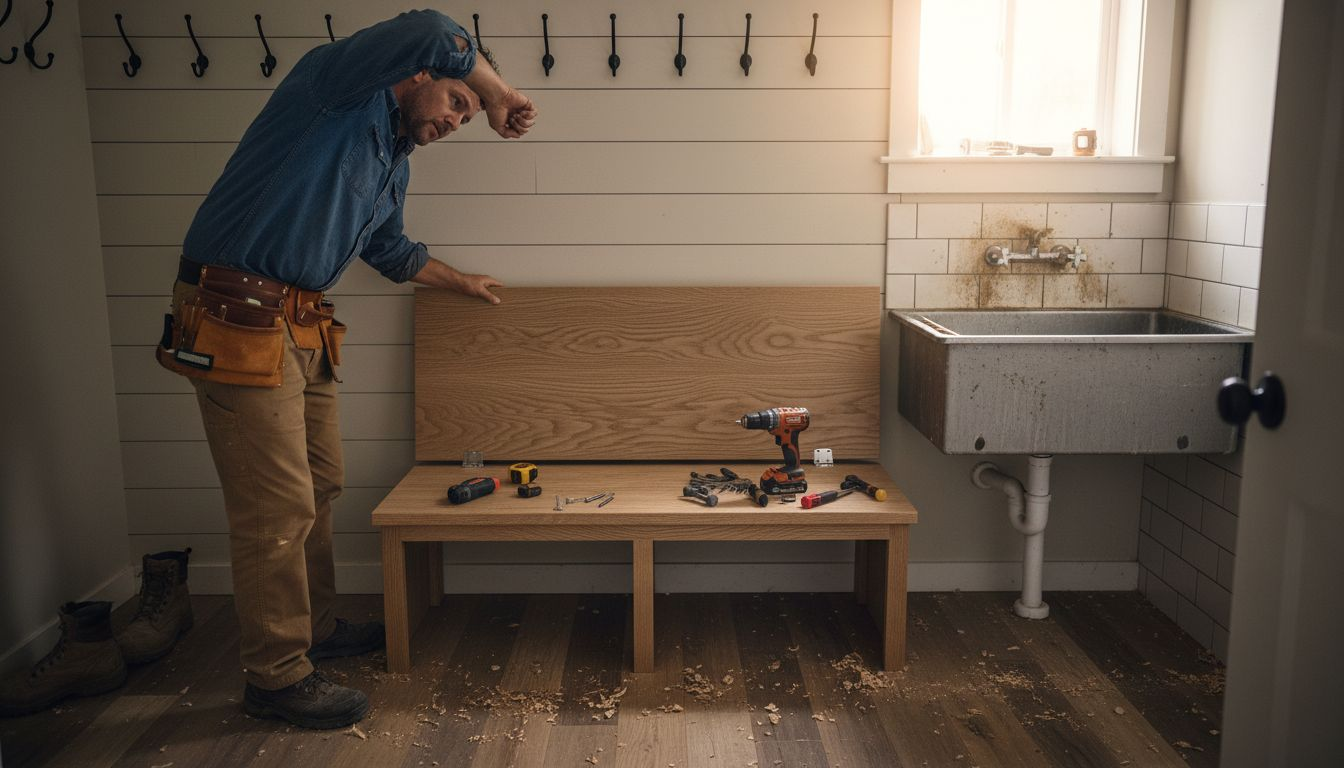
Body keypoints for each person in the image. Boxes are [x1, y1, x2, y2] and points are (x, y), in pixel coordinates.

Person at [154, 10, 535, 730]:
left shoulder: (393, 159)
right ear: (418, 75)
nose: (456, 121)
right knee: (276, 507)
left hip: (300, 324)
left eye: (467, 115)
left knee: (321, 484)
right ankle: (275, 676)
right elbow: (435, 28)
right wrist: (500, 94)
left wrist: (460, 282)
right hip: (237, 316)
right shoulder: (335, 91)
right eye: (456, 101)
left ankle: (317, 628)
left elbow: (390, 252)